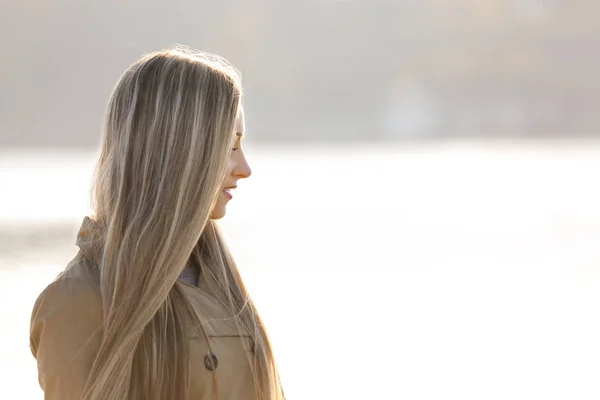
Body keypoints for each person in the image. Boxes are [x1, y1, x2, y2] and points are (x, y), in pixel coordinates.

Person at [29, 46, 285, 400]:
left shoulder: (221, 281)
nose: (245, 168)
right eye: (230, 145)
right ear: (180, 149)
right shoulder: (79, 301)